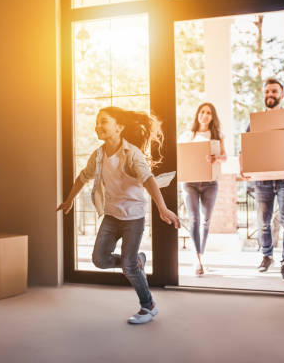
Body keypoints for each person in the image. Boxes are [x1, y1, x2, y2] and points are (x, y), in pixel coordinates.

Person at [57, 106, 180, 325]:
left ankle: (148, 306)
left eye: (104, 121)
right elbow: (82, 177)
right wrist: (69, 201)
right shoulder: (98, 155)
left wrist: (162, 208)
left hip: (133, 217)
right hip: (112, 216)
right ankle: (135, 262)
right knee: (99, 259)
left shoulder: (131, 153)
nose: (98, 125)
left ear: (119, 127)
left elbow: (149, 180)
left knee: (129, 266)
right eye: (97, 121)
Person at [241, 78, 284, 283]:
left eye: (274, 91)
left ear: (281, 94)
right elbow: (245, 147)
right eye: (267, 92)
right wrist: (244, 167)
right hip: (262, 180)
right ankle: (267, 256)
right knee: (263, 222)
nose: (270, 95)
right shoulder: (256, 121)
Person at [179, 103, 226, 276]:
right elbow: (181, 156)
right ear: (197, 114)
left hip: (209, 183)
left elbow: (225, 157)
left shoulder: (217, 135)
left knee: (205, 221)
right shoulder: (187, 135)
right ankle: (197, 259)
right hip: (190, 183)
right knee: (194, 220)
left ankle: (201, 255)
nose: (205, 115)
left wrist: (217, 158)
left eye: (209, 113)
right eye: (202, 112)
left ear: (212, 117)